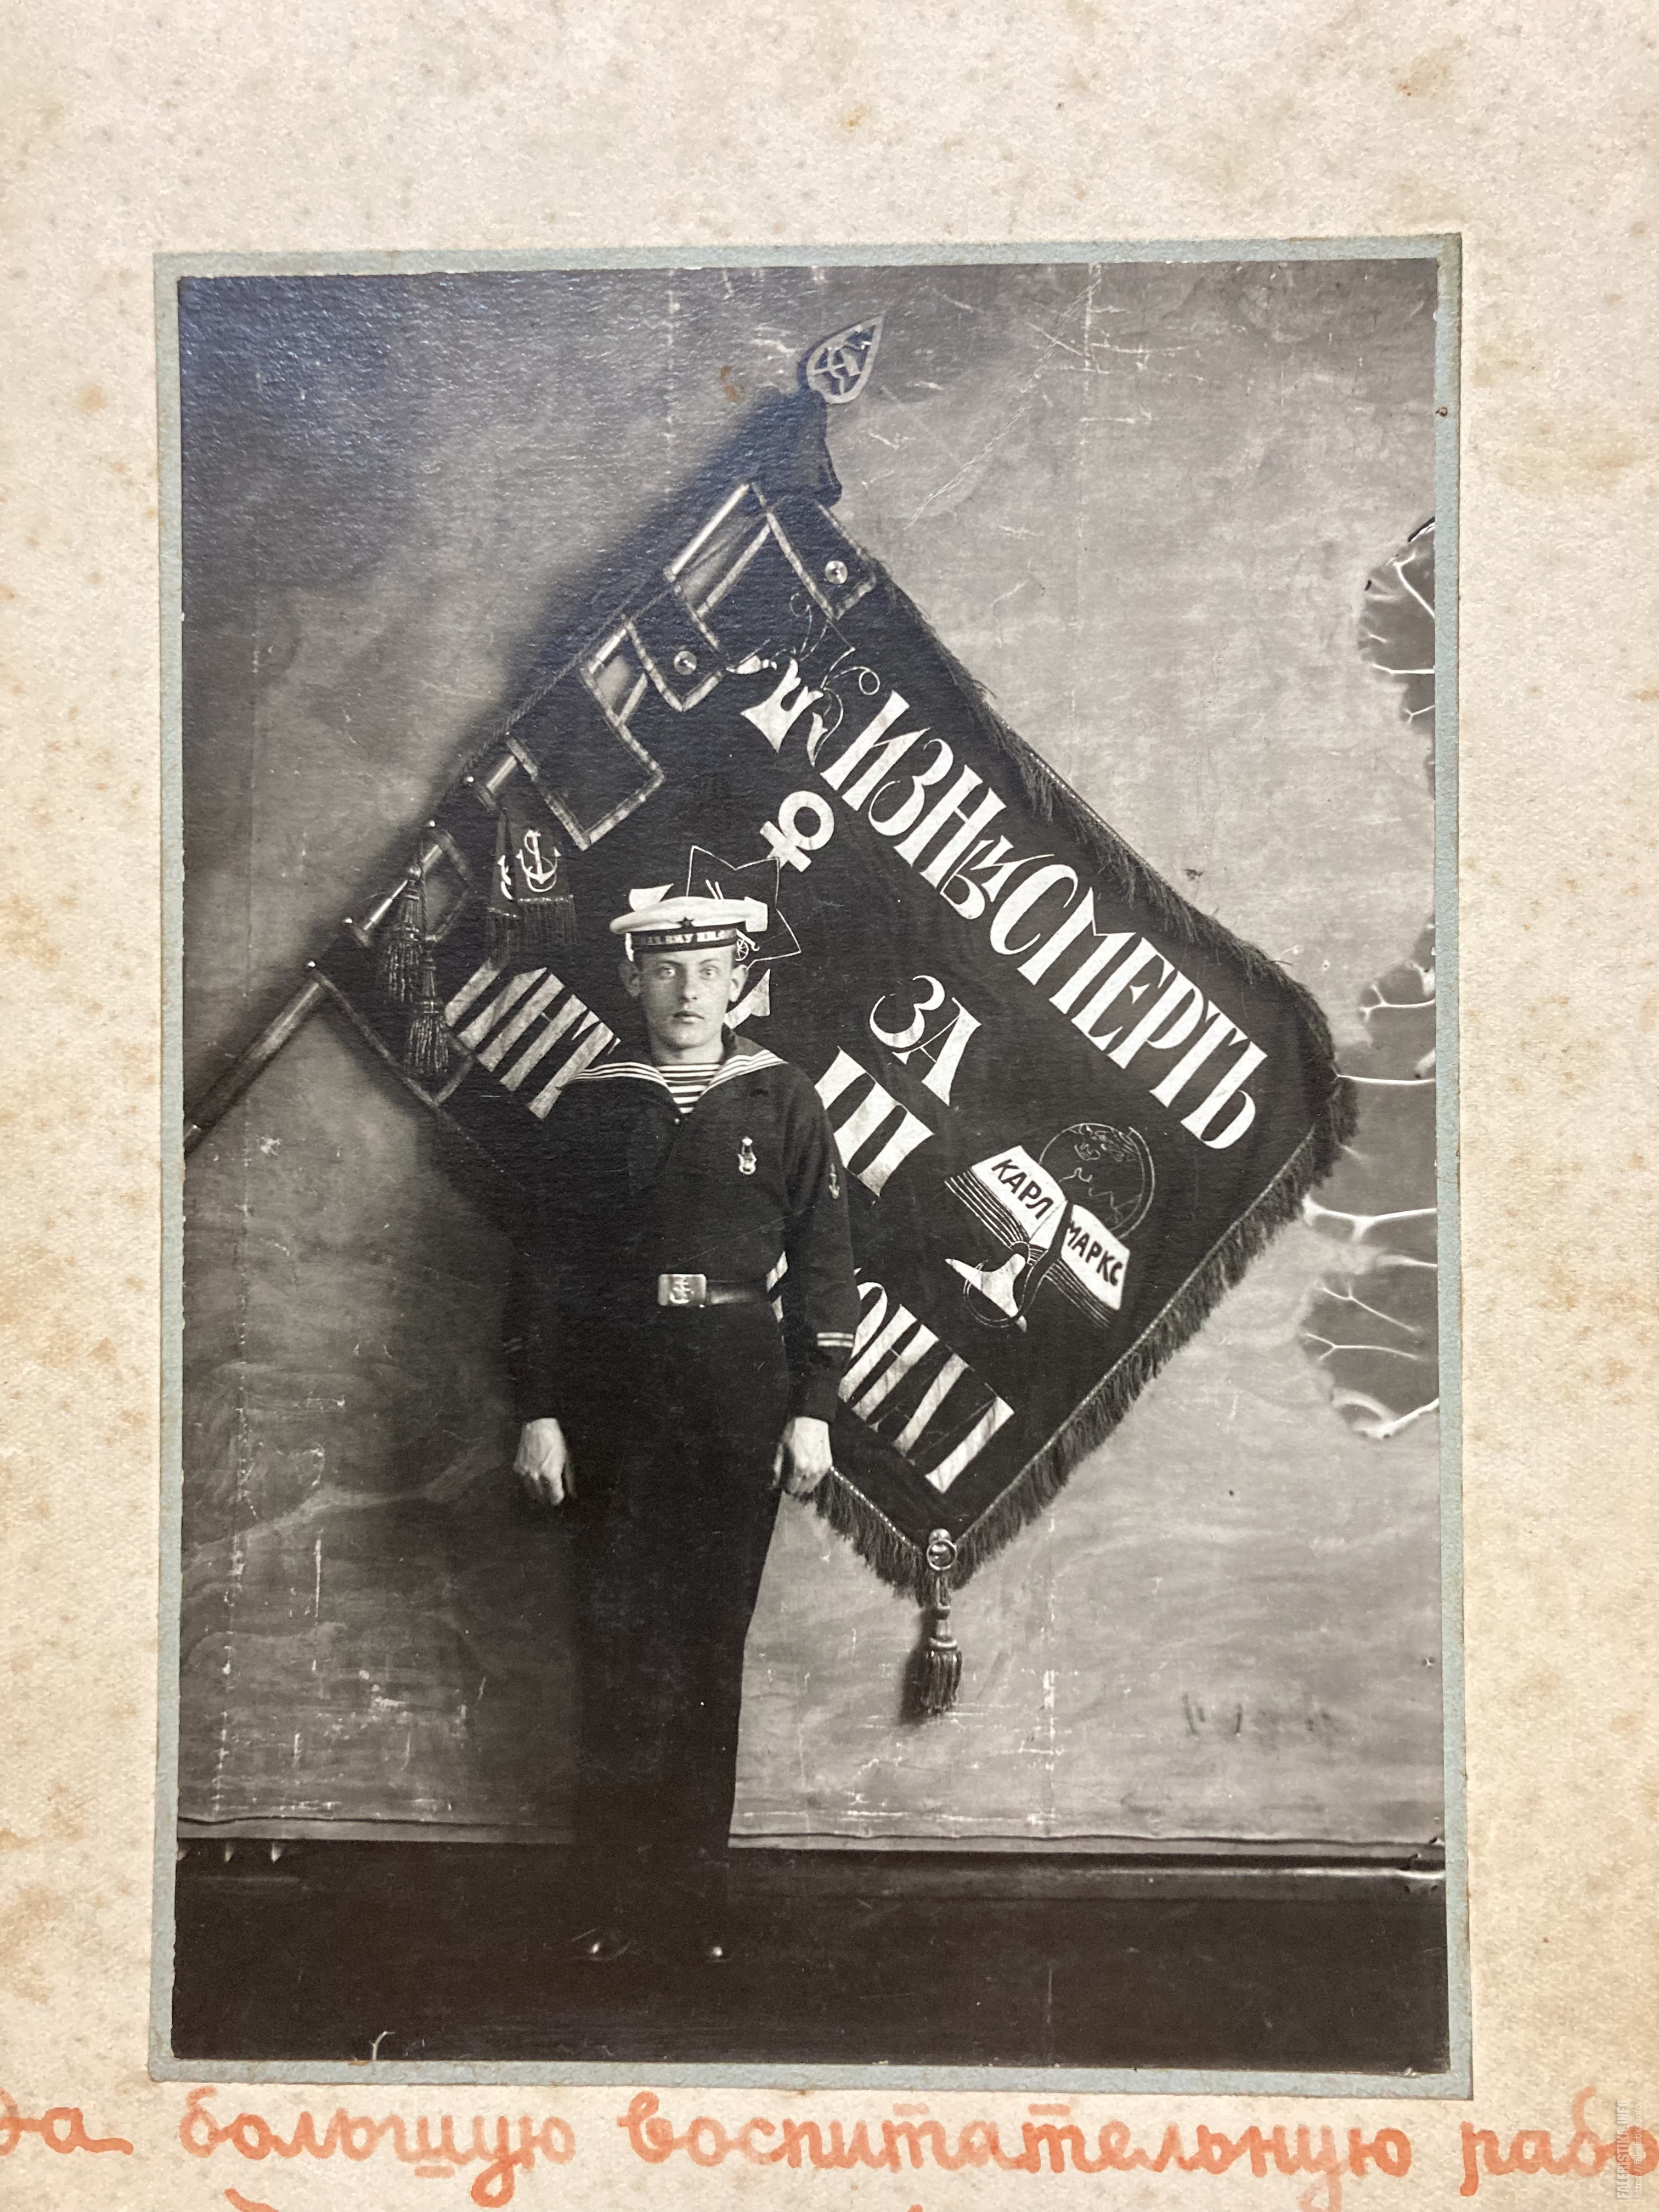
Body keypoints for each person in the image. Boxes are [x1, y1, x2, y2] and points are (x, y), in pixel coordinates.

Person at [505, 889, 860, 1967]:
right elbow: (544, 1268)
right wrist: (540, 1410)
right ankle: (611, 1902)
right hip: (614, 1396)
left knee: (709, 1644)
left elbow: (828, 1261)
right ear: (633, 980)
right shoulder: (589, 1104)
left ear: (740, 979)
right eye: (666, 971)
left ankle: (692, 1902)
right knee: (618, 1641)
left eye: (710, 971)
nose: (689, 992)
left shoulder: (783, 1098)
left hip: (735, 1394)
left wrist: (813, 1410)